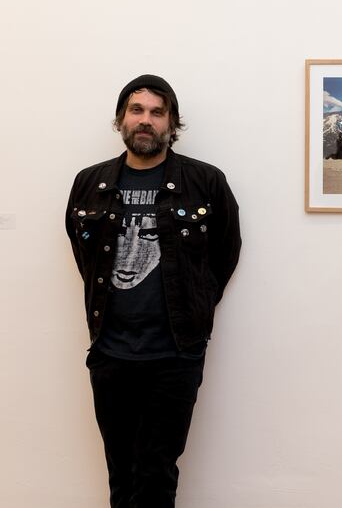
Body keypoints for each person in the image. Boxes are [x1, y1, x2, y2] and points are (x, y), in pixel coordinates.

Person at [65, 74, 241, 508]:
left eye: (157, 112)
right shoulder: (90, 183)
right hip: (110, 352)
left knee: (157, 473)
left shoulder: (206, 182)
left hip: (175, 355)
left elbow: (225, 252)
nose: (146, 120)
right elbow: (84, 256)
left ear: (171, 123)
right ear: (122, 119)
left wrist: (193, 305)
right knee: (120, 472)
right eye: (137, 110)